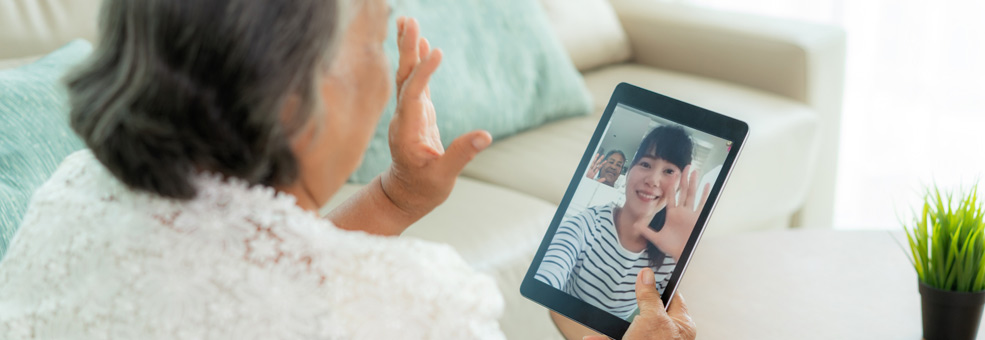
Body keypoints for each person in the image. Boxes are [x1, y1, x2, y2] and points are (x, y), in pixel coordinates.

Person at [0, 1, 695, 339]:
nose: (388, 66)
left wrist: (392, 199)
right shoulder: (420, 309)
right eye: (373, 39)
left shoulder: (71, 195)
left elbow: (245, 275)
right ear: (295, 94)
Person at [537, 125, 709, 326]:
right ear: (629, 171)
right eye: (646, 164)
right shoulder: (587, 224)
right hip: (561, 324)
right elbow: (548, 273)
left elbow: (682, 324)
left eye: (669, 171)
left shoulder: (670, 254)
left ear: (680, 185)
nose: (653, 180)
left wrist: (685, 256)